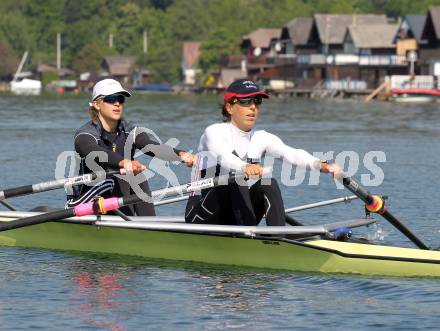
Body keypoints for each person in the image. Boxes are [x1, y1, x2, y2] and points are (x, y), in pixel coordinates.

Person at [185, 79, 341, 226]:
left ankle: (277, 240)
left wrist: (321, 165)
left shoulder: (262, 137)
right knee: (233, 179)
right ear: (229, 107)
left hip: (236, 215)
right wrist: (245, 167)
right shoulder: (213, 132)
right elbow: (223, 156)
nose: (253, 107)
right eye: (245, 102)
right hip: (200, 214)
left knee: (269, 184)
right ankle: (249, 239)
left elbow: (292, 154)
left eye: (256, 101)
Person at [67, 78, 194, 216]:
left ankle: (148, 228)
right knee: (116, 178)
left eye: (120, 99)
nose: (117, 103)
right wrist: (123, 162)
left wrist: (181, 154)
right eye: (111, 99)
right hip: (87, 198)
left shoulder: (130, 131)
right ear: (97, 104)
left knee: (137, 176)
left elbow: (151, 146)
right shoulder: (85, 134)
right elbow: (95, 152)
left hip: (115, 198)